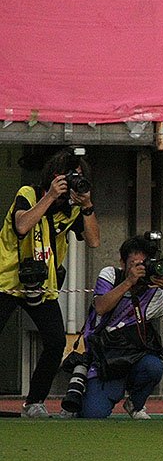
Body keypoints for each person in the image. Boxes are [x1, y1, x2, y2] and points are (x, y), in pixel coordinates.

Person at [0, 149, 99, 417]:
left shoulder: (72, 209)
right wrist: (51, 196)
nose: (74, 181)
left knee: (55, 343)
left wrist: (87, 205)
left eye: (79, 177)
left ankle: (34, 402)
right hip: (6, 280)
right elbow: (22, 226)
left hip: (42, 283)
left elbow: (93, 241)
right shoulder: (29, 193)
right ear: (54, 176)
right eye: (69, 176)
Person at [80, 234, 163, 419]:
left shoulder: (155, 290)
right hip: (107, 358)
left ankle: (135, 403)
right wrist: (128, 282)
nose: (140, 268)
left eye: (144, 264)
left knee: (154, 367)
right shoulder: (111, 275)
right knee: (92, 414)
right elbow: (101, 307)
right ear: (123, 263)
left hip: (136, 356)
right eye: (134, 264)